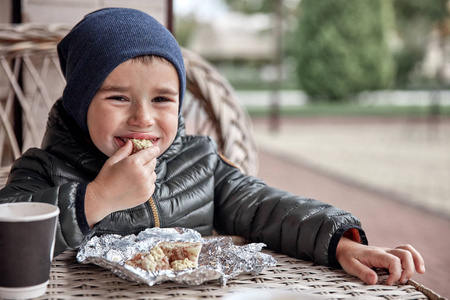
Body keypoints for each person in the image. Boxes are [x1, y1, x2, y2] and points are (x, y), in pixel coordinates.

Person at [0, 8, 425, 286]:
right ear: (79, 105)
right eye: (118, 98)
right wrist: (96, 199)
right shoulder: (43, 169)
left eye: (162, 99)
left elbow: (264, 207)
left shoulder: (199, 161)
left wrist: (341, 242)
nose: (143, 119)